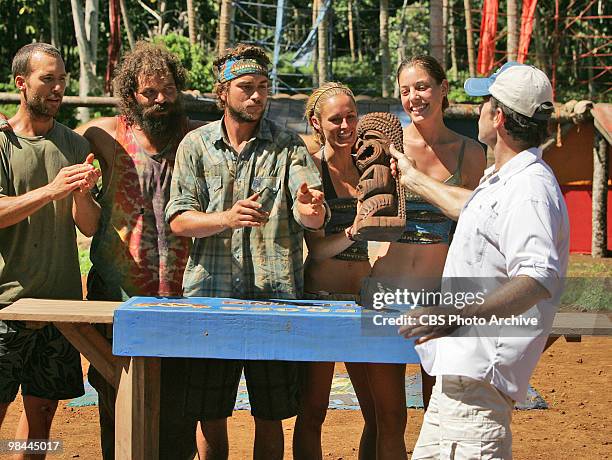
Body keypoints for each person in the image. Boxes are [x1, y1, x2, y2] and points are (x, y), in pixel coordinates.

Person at [393, 63, 570, 459]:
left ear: (500, 117)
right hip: (457, 378)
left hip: (480, 382)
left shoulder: (529, 190)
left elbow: (538, 278)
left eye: (486, 102)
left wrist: (453, 314)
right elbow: (468, 207)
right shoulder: (504, 179)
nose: (478, 110)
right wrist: (412, 177)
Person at [166, 43, 328, 460]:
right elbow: (178, 220)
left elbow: (309, 213)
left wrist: (311, 209)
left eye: (262, 87)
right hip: (210, 300)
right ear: (223, 92)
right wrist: (225, 218)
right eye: (245, 87)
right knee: (209, 412)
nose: (256, 96)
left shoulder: (290, 146)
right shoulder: (195, 146)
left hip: (273, 300)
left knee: (270, 413)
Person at [74, 41, 203, 459]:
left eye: (168, 89)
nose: (161, 100)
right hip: (118, 293)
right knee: (114, 393)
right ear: (130, 94)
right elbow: (49, 143)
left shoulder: (196, 139)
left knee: (181, 398)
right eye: (149, 92)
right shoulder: (104, 135)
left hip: (183, 293)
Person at [359, 55, 485, 459]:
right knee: (388, 419)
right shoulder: (386, 148)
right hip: (386, 294)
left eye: (423, 86)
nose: (414, 97)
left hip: (442, 298)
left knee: (439, 413)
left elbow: (483, 215)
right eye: (405, 90)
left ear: (444, 89)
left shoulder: (470, 153)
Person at [0, 43, 100, 451]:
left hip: (59, 308)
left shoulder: (74, 144)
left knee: (41, 417)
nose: (58, 88)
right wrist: (52, 189)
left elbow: (89, 227)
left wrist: (81, 195)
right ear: (21, 83)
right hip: (6, 304)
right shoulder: (3, 143)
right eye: (48, 79)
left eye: (62, 80)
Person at [292, 82, 375, 459]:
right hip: (321, 302)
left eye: (351, 116)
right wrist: (356, 230)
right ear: (316, 122)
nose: (345, 126)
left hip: (365, 304)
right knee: (312, 412)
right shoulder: (311, 172)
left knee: (376, 413)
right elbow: (320, 251)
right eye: (335, 119)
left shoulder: (369, 167)